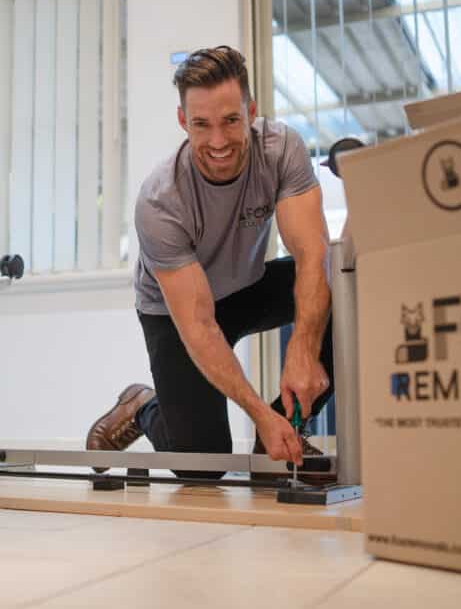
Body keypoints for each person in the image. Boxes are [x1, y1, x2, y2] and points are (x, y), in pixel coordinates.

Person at [85, 45, 334, 478]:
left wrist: (304, 347)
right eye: (201, 125)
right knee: (202, 465)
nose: (218, 142)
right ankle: (144, 405)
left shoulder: (282, 149)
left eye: (231, 121)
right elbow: (199, 325)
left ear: (251, 111)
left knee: (351, 287)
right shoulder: (161, 201)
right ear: (183, 121)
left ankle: (281, 434)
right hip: (176, 312)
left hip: (248, 286)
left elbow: (312, 256)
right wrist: (258, 411)